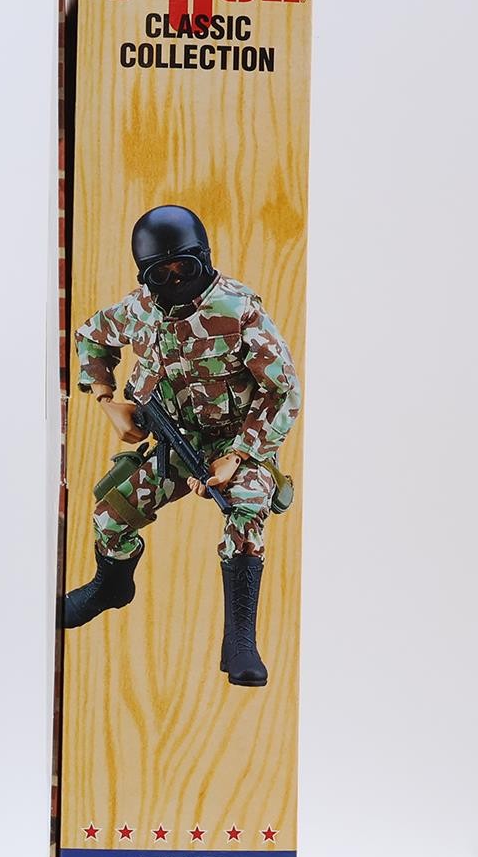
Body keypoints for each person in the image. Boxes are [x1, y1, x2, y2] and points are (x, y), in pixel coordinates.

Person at [64, 205, 301, 687]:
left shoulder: (238, 310)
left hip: (239, 440)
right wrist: (108, 401)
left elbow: (284, 392)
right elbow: (91, 338)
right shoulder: (140, 310)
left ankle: (240, 639)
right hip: (175, 438)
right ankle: (110, 588)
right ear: (144, 275)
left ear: (204, 259)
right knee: (111, 514)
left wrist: (239, 455)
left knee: (247, 505)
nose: (174, 280)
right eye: (161, 273)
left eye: (184, 268)